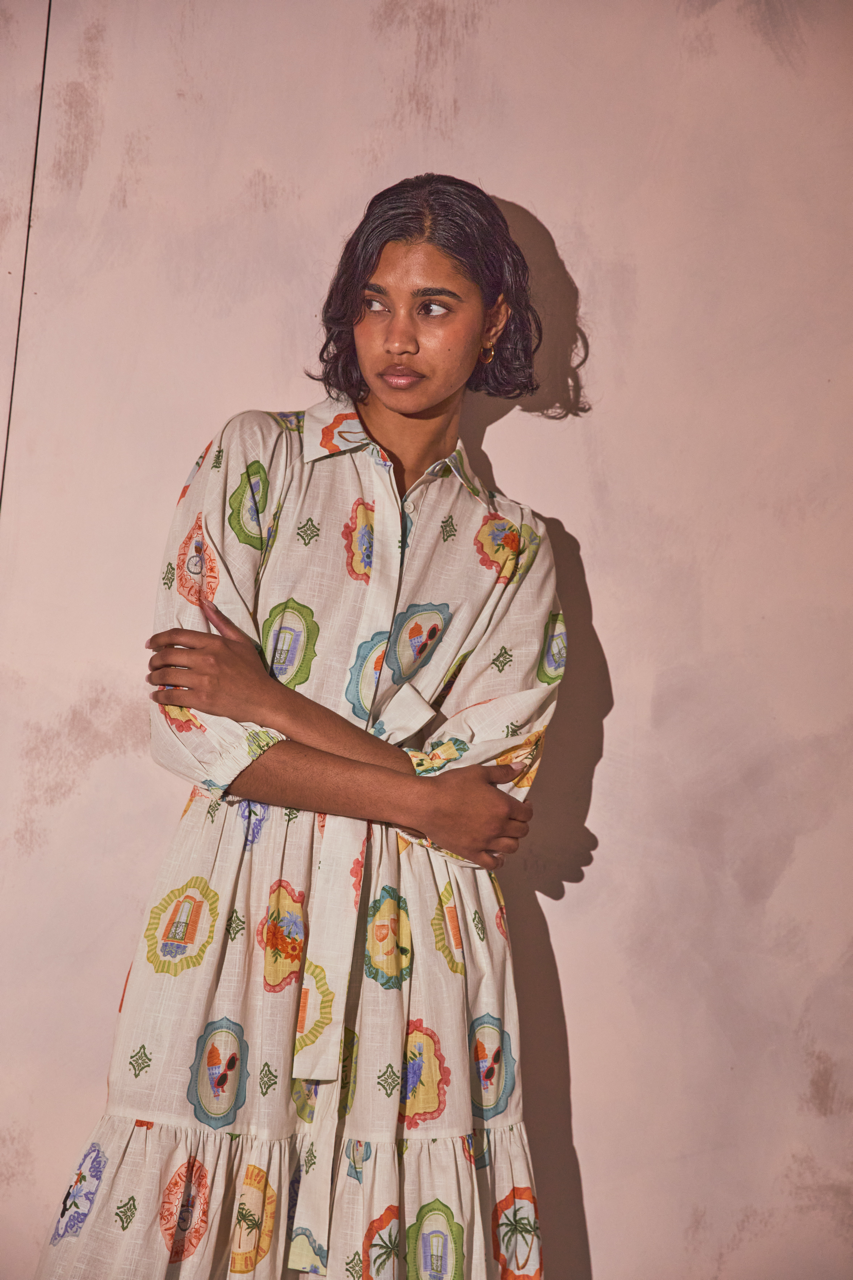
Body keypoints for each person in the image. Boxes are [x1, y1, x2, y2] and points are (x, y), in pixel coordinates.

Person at [36, 173, 570, 1279]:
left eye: (434, 305)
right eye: (374, 302)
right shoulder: (259, 459)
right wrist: (423, 798)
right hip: (238, 907)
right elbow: (199, 734)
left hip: (422, 937)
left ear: (494, 323)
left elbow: (485, 796)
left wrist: (272, 701)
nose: (396, 337)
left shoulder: (515, 548)